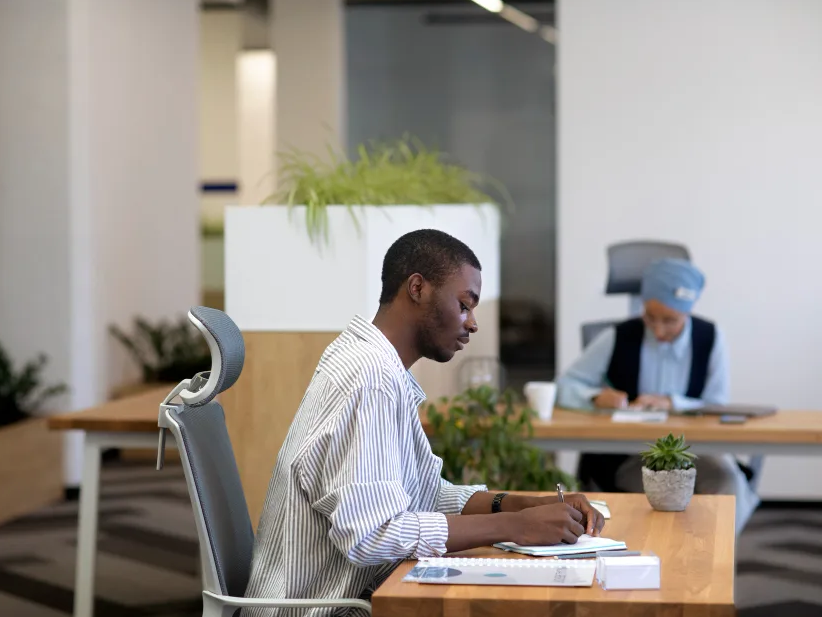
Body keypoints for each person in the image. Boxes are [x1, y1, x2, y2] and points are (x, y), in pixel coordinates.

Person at [244, 229, 605, 616]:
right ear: (417, 287)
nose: (473, 323)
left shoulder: (381, 369)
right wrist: (516, 526)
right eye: (465, 305)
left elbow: (425, 494)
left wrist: (520, 504)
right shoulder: (369, 379)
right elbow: (373, 534)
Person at [556, 257, 758, 532]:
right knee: (665, 497)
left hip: (700, 451)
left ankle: (712, 563)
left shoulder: (710, 338)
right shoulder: (619, 336)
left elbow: (716, 405)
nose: (659, 329)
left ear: (687, 312)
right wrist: (594, 397)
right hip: (632, 454)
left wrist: (674, 402)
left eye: (670, 320)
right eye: (650, 317)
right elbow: (564, 385)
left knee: (728, 484)